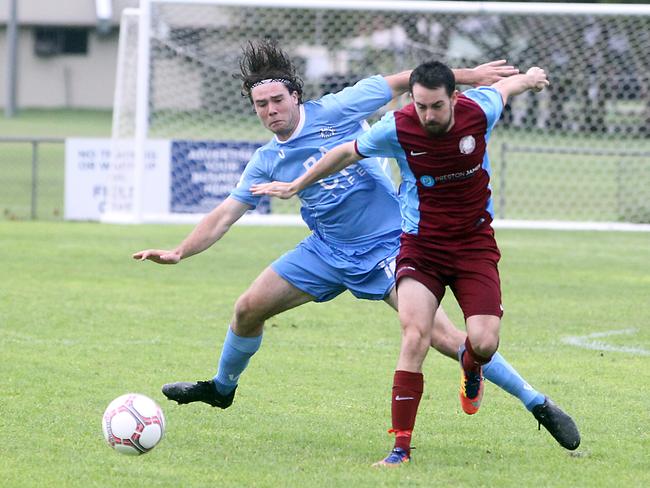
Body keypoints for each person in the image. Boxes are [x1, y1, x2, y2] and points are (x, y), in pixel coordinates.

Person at [133, 41, 578, 461]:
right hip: (326, 251)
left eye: (277, 102)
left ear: (296, 97)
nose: (271, 112)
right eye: (261, 106)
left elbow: (406, 80)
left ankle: (536, 402)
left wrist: (470, 75)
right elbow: (224, 214)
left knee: (445, 339)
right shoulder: (267, 159)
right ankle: (222, 389)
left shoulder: (341, 107)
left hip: (389, 246)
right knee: (248, 309)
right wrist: (180, 252)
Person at [251, 60, 581, 466]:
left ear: (455, 99)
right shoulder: (398, 126)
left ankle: (472, 364)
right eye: (420, 106)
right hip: (419, 248)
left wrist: (530, 80)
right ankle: (399, 450)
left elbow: (507, 87)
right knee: (414, 337)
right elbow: (343, 153)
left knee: (483, 342)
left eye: (436, 107)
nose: (427, 115)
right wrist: (297, 185)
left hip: (474, 245)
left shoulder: (480, 110)